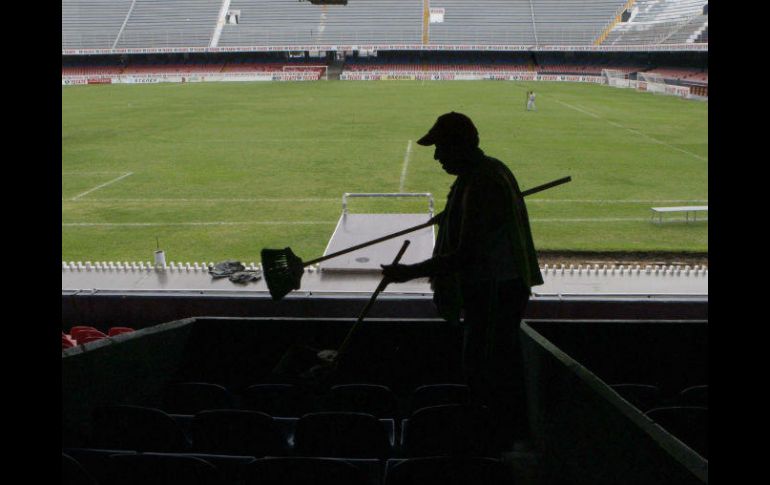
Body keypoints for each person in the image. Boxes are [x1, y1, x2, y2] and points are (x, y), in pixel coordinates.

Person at [381, 112, 543, 440]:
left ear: (460, 145)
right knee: (486, 362)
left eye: (440, 147)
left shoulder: (481, 183)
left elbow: (465, 256)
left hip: (494, 290)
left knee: (485, 367)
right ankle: (494, 434)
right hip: (495, 288)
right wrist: (454, 212)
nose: (437, 155)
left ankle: (495, 439)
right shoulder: (483, 172)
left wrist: (407, 273)